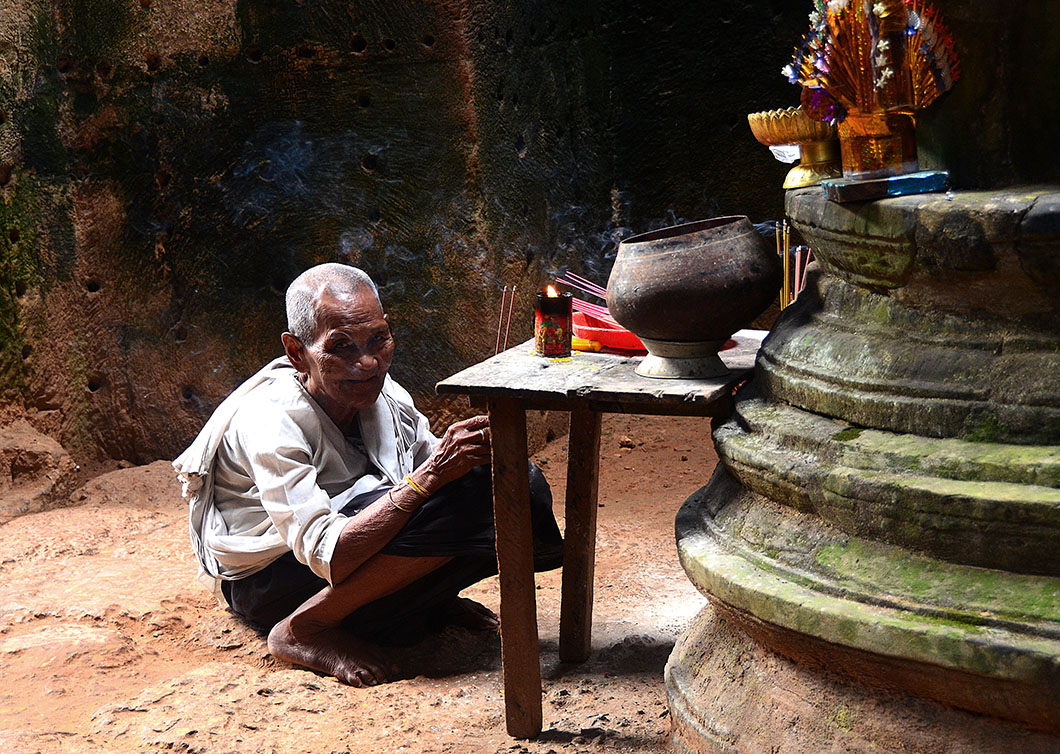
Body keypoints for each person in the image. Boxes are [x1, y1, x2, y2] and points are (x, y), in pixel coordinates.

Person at [174, 263, 563, 687]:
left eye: (378, 339)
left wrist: (479, 455)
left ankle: (420, 603)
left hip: (351, 554)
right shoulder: (269, 421)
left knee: (515, 486)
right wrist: (432, 476)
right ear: (296, 352)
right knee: (454, 504)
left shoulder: (384, 391)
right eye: (341, 346)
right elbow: (331, 553)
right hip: (273, 581)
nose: (367, 361)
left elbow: (441, 474)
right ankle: (304, 629)